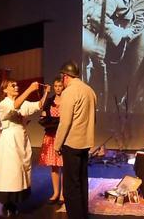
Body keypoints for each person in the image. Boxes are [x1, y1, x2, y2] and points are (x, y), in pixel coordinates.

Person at [83, 0, 141, 111]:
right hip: (108, 51)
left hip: (120, 51)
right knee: (102, 87)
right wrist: (120, 34)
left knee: (118, 87)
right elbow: (97, 18)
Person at [0, 79, 49, 216]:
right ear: (5, 90)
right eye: (12, 85)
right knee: (11, 172)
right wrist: (30, 89)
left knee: (20, 171)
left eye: (16, 84)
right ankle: (7, 204)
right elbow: (15, 105)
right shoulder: (3, 104)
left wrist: (46, 93)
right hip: (9, 141)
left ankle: (14, 201)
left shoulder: (22, 103)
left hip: (21, 139)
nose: (16, 86)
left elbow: (39, 105)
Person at [54, 60, 97, 219]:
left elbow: (65, 122)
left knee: (71, 187)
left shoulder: (69, 92)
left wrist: (57, 144)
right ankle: (82, 215)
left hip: (71, 144)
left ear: (65, 76)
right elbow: (93, 118)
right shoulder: (89, 90)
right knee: (82, 182)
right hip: (85, 143)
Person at [38, 76, 64, 205]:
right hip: (51, 135)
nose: (58, 88)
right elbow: (43, 113)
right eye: (56, 86)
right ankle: (55, 193)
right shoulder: (49, 100)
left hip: (63, 137)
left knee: (64, 165)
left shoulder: (68, 100)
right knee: (54, 166)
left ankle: (63, 195)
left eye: (60, 86)